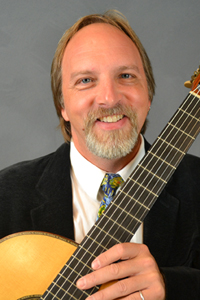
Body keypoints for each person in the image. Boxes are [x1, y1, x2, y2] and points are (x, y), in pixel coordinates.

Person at [0, 10, 200, 300]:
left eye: (126, 76)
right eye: (85, 81)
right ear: (63, 106)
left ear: (149, 94)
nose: (109, 97)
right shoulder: (6, 196)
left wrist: (172, 287)